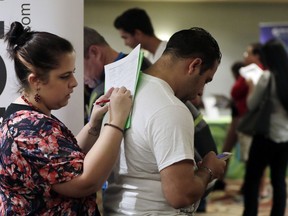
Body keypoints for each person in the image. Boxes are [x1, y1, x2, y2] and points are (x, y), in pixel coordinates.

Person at [0, 21, 132, 215]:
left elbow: (61, 162)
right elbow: (85, 182)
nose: (74, 83)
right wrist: (116, 121)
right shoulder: (29, 128)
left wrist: (94, 124)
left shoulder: (28, 119)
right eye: (64, 76)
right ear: (35, 81)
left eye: (74, 73)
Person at [103, 27, 226, 215]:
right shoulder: (171, 108)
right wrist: (208, 170)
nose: (201, 91)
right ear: (194, 65)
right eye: (206, 80)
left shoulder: (122, 90)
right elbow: (180, 195)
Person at [242, 39, 288, 216]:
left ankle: (250, 213)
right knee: (279, 180)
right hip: (284, 137)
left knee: (252, 179)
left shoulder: (267, 77)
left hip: (265, 136)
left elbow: (251, 104)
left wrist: (251, 87)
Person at [84, 26, 151, 123]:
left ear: (94, 52)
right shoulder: (98, 81)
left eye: (79, 68)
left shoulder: (139, 68)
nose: (77, 80)